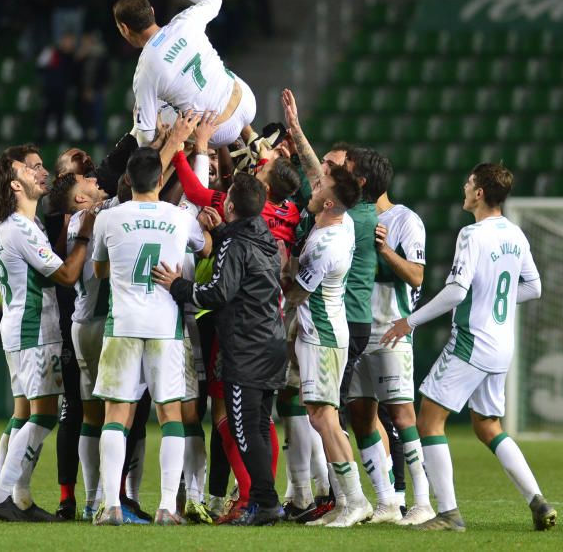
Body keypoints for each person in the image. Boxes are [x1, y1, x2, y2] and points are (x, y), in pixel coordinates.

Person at [381, 163, 555, 532]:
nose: (464, 186)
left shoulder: (472, 235)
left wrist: (408, 321)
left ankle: (447, 513)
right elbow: (534, 287)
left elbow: (457, 292)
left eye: (469, 183)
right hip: (502, 344)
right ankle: (537, 500)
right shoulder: (516, 234)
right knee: (487, 425)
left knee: (429, 418)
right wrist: (496, 303)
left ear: (479, 193)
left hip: (473, 341)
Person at [152, 173, 287, 527]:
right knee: (259, 426)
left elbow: (217, 293)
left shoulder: (234, 244)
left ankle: (264, 502)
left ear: (228, 205)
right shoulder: (267, 238)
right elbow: (242, 248)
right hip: (272, 342)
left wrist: (177, 285)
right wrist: (222, 232)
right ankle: (264, 501)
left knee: (243, 430)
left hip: (245, 349)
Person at [91, 147, 211, 526]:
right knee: (170, 414)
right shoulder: (179, 218)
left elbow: (99, 271)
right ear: (160, 180)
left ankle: (110, 505)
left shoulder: (107, 219)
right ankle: (166, 508)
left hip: (123, 324)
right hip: (165, 328)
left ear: (127, 180)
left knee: (117, 414)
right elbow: (205, 247)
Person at [0, 145, 94, 522]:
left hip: (17, 327)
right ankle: (2, 497)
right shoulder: (22, 228)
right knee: (43, 416)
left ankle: (18, 496)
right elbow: (65, 275)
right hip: (33, 329)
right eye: (31, 170)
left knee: (22, 413)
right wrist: (84, 236)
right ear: (15, 185)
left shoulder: (13, 225)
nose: (39, 173)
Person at [285, 166, 373, 528]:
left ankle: (355, 501)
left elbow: (297, 294)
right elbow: (315, 170)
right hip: (320, 332)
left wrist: (273, 269)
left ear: (331, 201)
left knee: (325, 419)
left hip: (321, 335)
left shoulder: (325, 244)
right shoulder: (342, 221)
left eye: (322, 185)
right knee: (321, 417)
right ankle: (345, 502)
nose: (315, 185)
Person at [347, 169, 436, 525]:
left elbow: (416, 275)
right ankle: (385, 502)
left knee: (402, 416)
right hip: (355, 329)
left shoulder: (405, 220)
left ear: (363, 182)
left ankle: (423, 502)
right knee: (361, 416)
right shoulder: (350, 218)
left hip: (388, 330)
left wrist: (384, 252)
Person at [112, 0, 257, 149]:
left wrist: (139, 123)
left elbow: (147, 137)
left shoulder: (144, 70)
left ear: (125, 29)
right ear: (152, 12)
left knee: (154, 109)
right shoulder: (185, 22)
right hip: (246, 100)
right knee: (214, 68)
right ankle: (252, 136)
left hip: (218, 132)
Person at [47, 164, 110, 520]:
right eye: (88, 180)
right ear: (82, 198)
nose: (95, 179)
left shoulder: (73, 223)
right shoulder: (98, 218)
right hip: (102, 323)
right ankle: (114, 498)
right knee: (116, 411)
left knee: (90, 414)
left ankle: (89, 501)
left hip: (80, 324)